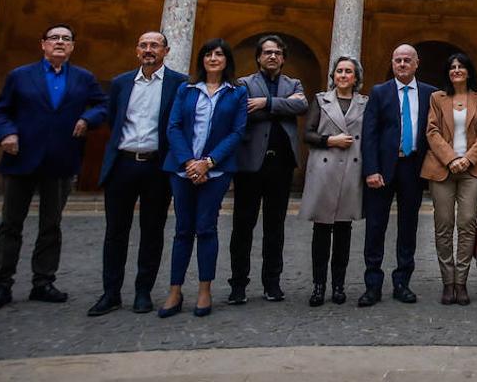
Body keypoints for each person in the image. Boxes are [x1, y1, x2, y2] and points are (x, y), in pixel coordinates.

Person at [0, 23, 108, 310]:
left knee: (51, 225)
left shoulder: (83, 78)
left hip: (60, 159)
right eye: (54, 38)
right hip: (21, 157)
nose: (59, 42)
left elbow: (103, 105)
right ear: (43, 44)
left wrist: (88, 119)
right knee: (10, 225)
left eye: (66, 39)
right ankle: (2, 283)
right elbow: (0, 110)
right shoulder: (20, 76)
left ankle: (43, 281)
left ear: (72, 47)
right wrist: (6, 133)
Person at [89, 31, 188, 317]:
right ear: (136, 51)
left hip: (157, 166)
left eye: (154, 45)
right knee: (115, 232)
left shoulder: (179, 83)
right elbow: (112, 118)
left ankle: (143, 291)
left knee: (152, 230)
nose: (149, 50)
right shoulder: (120, 83)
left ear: (166, 51)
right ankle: (111, 293)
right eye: (144, 45)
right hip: (123, 163)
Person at [158, 39, 248, 318]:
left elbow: (237, 132)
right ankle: (175, 290)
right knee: (183, 229)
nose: (213, 58)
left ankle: (204, 289)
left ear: (227, 60)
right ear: (201, 60)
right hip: (182, 168)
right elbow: (173, 127)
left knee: (207, 228)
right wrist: (189, 162)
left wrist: (207, 163)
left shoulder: (237, 93)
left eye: (219, 54)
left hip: (216, 170)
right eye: (208, 54)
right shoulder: (186, 89)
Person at [228, 34, 308, 304]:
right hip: (250, 164)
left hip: (281, 164)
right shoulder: (243, 83)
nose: (272, 56)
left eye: (277, 53)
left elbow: (302, 105)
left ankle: (272, 283)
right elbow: (242, 112)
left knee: (275, 227)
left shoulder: (293, 83)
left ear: (283, 58)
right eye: (266, 53)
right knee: (242, 226)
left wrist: (266, 103)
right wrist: (282, 106)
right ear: (259, 57)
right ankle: (238, 284)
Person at [360, 43, 436, 306]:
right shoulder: (379, 92)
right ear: (392, 64)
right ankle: (372, 285)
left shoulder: (430, 94)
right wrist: (371, 170)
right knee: (375, 227)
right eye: (397, 60)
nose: (402, 64)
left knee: (408, 227)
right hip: (382, 169)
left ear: (417, 63)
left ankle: (402, 282)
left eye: (407, 60)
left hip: (413, 168)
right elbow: (368, 134)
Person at [421, 52, 477, 306]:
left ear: (469, 71)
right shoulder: (437, 98)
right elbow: (432, 131)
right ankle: (447, 282)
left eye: (461, 66)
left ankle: (461, 282)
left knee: (467, 222)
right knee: (443, 225)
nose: (457, 70)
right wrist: (451, 159)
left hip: (472, 170)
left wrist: (467, 159)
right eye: (452, 67)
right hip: (442, 169)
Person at [300, 55, 368, 307]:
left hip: (352, 168)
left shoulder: (365, 102)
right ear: (333, 76)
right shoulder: (321, 99)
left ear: (356, 77)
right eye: (339, 71)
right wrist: (330, 140)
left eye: (348, 71)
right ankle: (319, 286)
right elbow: (307, 133)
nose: (343, 75)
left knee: (343, 230)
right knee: (320, 231)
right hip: (324, 168)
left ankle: (338, 285)